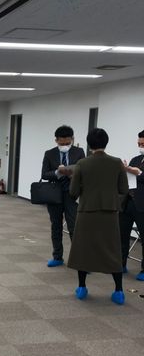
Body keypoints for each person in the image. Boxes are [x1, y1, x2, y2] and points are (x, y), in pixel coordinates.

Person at [68, 128, 128, 304]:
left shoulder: (82, 164)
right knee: (112, 250)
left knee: (83, 249)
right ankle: (118, 291)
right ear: (106, 142)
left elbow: (73, 192)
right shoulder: (117, 163)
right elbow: (123, 189)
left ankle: (82, 288)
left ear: (89, 144)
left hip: (87, 212)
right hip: (109, 213)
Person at [41, 125, 85, 267]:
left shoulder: (79, 152)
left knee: (74, 227)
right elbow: (44, 174)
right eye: (62, 143)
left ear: (72, 139)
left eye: (67, 143)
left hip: (72, 194)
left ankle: (79, 259)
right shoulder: (49, 153)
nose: (65, 145)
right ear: (56, 140)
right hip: (54, 194)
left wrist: (71, 173)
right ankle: (57, 256)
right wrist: (57, 172)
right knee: (56, 226)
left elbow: (83, 172)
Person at [120, 130, 144, 280]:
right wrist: (125, 170)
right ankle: (121, 263)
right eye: (139, 144)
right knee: (122, 235)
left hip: (142, 205)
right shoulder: (136, 159)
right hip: (128, 202)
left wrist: (138, 173)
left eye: (143, 144)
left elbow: (139, 175)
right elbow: (129, 177)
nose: (140, 147)